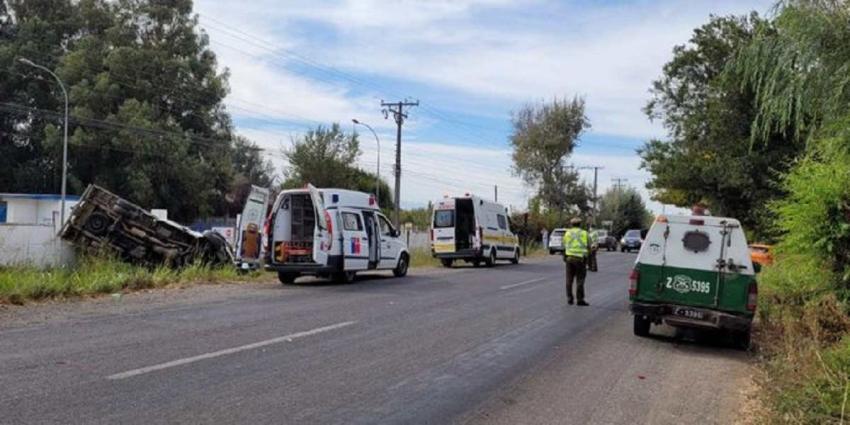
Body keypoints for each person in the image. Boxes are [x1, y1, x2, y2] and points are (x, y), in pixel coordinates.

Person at [562, 217, 591, 306]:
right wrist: (587, 256)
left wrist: (565, 256)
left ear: (571, 224)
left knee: (569, 280)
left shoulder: (567, 233)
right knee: (580, 280)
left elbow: (564, 245)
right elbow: (589, 246)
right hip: (580, 259)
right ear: (580, 224)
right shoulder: (585, 233)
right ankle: (580, 299)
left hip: (569, 258)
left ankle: (569, 298)